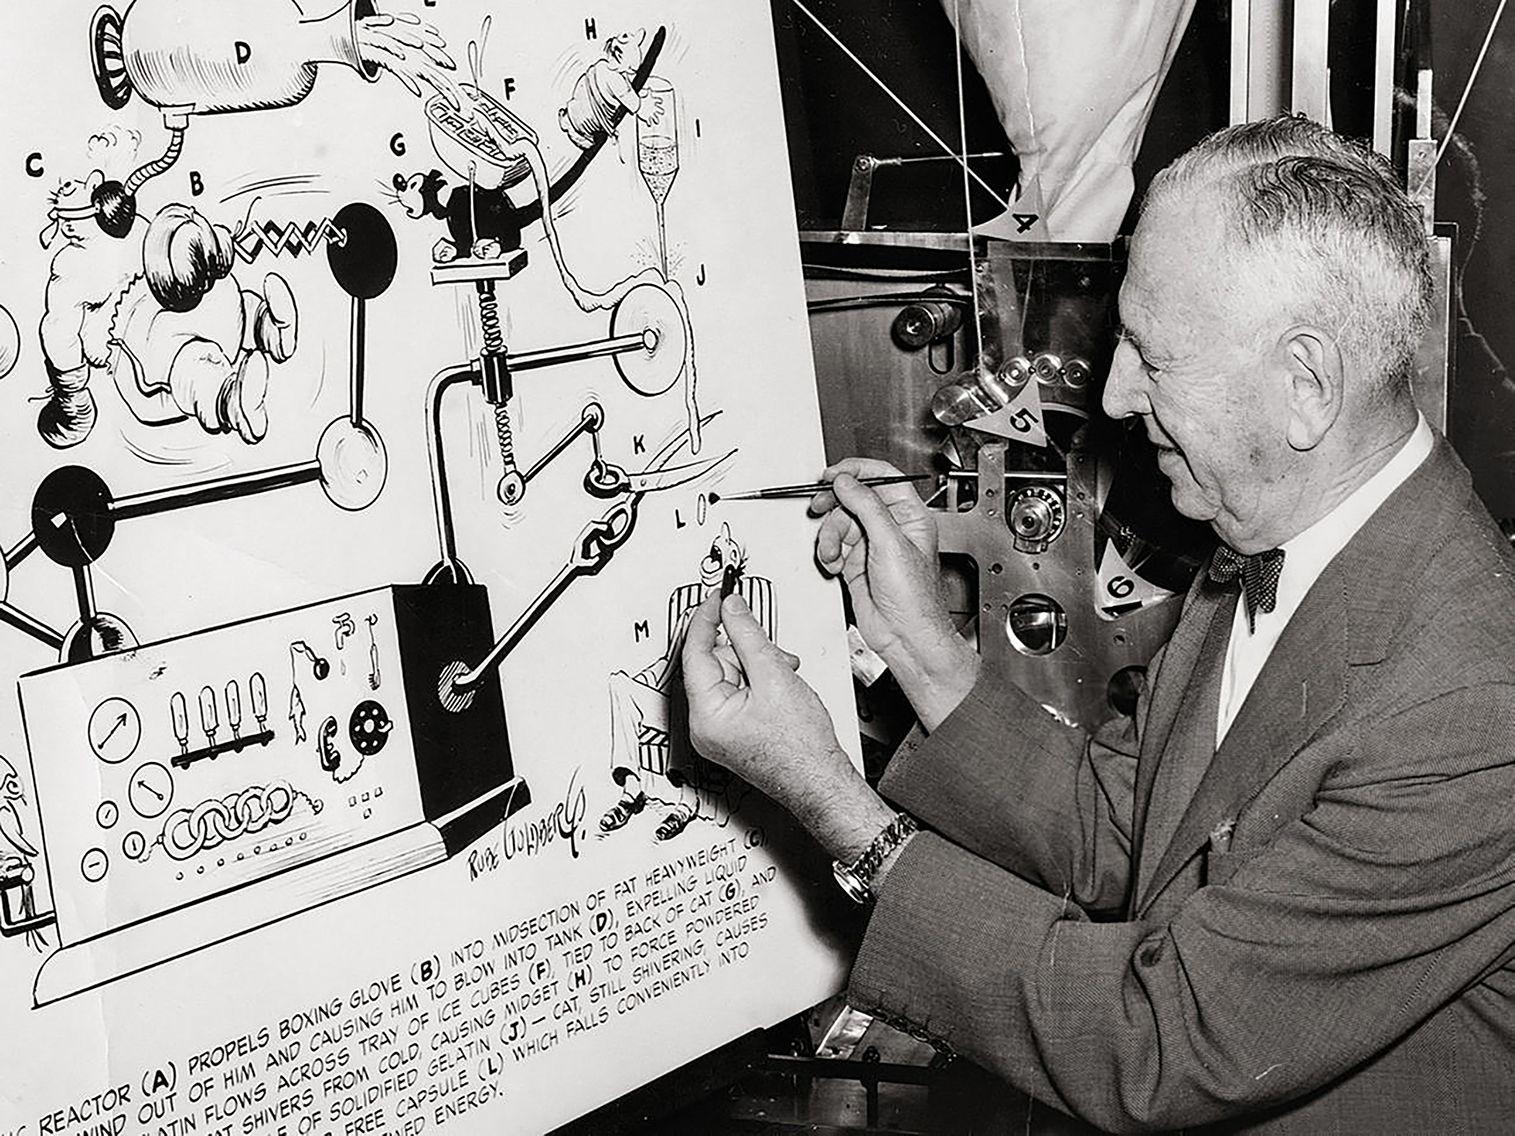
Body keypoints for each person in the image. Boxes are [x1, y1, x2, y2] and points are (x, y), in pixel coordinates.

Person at [682, 114, 1515, 1133]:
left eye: (1152, 358)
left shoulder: (1472, 708)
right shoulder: (1274, 537)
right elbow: (1121, 830)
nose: (1116, 396)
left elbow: (1158, 1038)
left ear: (1306, 386)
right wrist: (916, 643)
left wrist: (832, 800)